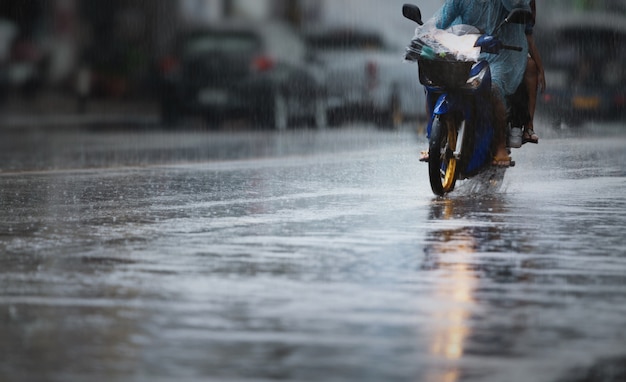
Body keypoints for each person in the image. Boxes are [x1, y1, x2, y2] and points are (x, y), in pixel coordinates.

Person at [419, 0, 531, 167]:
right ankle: (433, 140)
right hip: (467, 53)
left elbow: (518, 5)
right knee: (434, 86)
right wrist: (427, 33)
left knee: (493, 89)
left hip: (501, 55)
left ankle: (500, 145)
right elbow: (441, 19)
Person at [523, 0, 545, 144]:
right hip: (479, 47)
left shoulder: (524, 5)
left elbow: (528, 40)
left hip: (509, 52)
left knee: (531, 66)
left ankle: (528, 125)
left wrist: (541, 70)